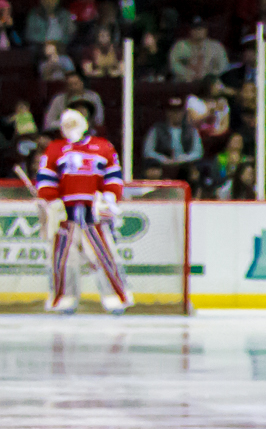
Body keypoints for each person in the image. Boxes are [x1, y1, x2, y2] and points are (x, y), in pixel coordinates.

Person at [36, 105, 132, 314]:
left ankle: (116, 295)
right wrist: (51, 201)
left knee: (104, 254)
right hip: (64, 211)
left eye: (74, 122)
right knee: (62, 257)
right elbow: (45, 179)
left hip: (93, 211)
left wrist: (110, 196)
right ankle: (63, 297)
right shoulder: (55, 148)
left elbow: (113, 176)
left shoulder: (103, 146)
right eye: (66, 124)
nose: (70, 127)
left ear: (84, 123)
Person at [142, 96, 204, 173]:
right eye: (173, 111)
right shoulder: (157, 129)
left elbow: (198, 152)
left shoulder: (191, 130)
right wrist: (163, 159)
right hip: (162, 164)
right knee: (151, 166)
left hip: (185, 165)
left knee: (197, 168)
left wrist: (184, 159)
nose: (176, 114)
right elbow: (148, 151)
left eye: (179, 111)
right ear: (168, 112)